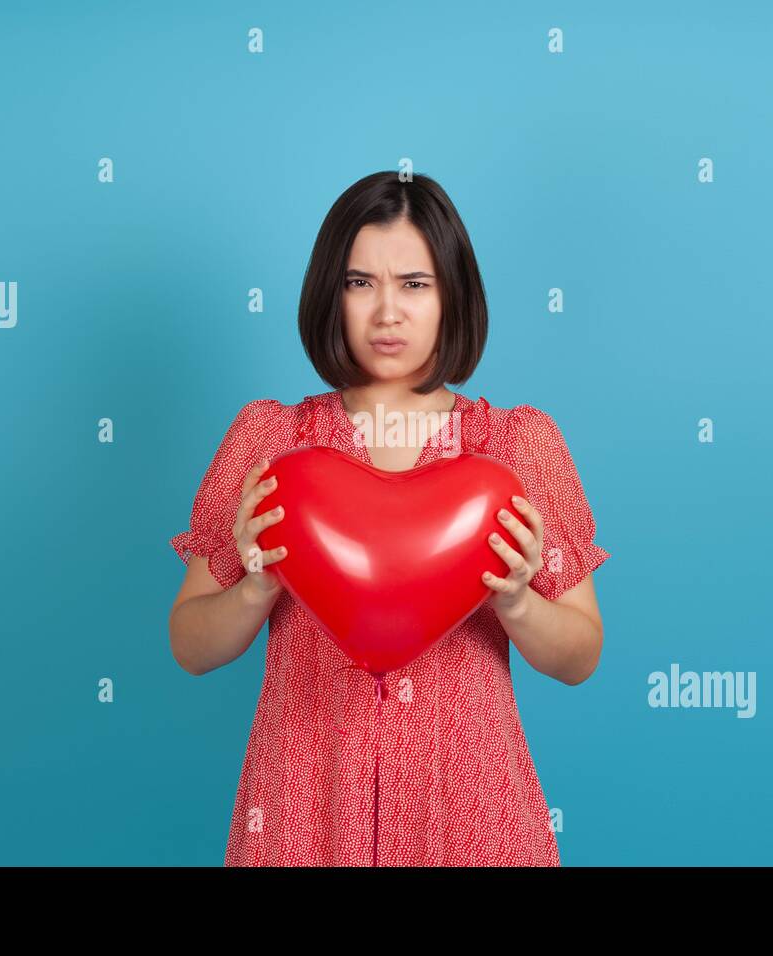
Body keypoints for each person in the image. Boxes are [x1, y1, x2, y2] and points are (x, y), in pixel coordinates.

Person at [168, 171, 610, 866]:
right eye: (358, 283)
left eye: (414, 283)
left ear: (452, 295)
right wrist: (257, 583)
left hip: (470, 814)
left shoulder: (519, 448)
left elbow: (581, 655)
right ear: (329, 294)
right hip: (303, 810)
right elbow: (191, 646)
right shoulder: (269, 444)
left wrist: (519, 601)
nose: (386, 313)